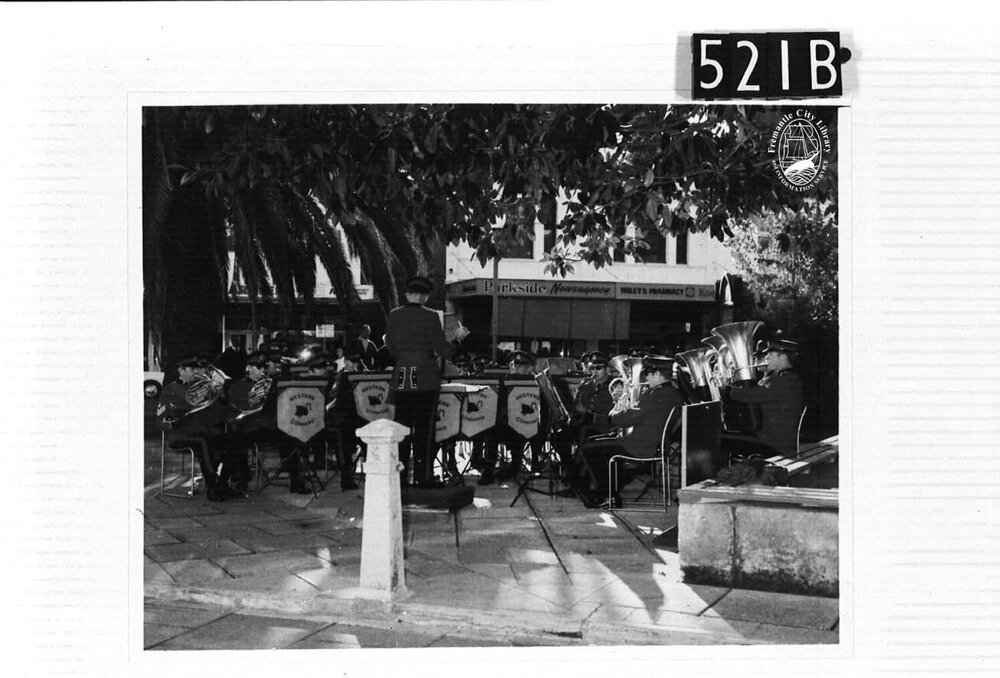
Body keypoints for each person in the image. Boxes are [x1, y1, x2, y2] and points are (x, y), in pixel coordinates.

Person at [385, 275, 469, 487]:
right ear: (426, 296)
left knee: (402, 427)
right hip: (425, 376)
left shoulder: (394, 315)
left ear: (407, 294)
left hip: (403, 374)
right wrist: (457, 339)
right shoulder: (432, 316)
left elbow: (391, 348)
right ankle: (424, 476)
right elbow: (443, 349)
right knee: (425, 429)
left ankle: (400, 476)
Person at [577, 355, 685, 509]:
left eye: (648, 373)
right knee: (596, 445)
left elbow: (629, 419)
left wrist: (608, 418)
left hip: (640, 446)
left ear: (658, 374)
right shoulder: (672, 393)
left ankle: (609, 495)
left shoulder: (656, 394)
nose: (645, 376)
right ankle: (608, 491)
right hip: (648, 443)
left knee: (589, 450)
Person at [157, 352, 236, 502]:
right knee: (204, 442)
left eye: (197, 369)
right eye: (192, 369)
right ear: (181, 370)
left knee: (234, 443)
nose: (196, 372)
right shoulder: (170, 390)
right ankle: (212, 487)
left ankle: (222, 484)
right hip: (180, 435)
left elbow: (218, 413)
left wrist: (221, 394)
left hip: (203, 431)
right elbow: (160, 421)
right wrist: (175, 418)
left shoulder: (203, 388)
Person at [724, 338, 805, 456]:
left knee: (718, 438)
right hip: (774, 440)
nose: (766, 358)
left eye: (770, 355)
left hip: (775, 445)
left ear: (783, 357)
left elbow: (751, 395)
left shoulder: (784, 380)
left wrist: (726, 389)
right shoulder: (785, 377)